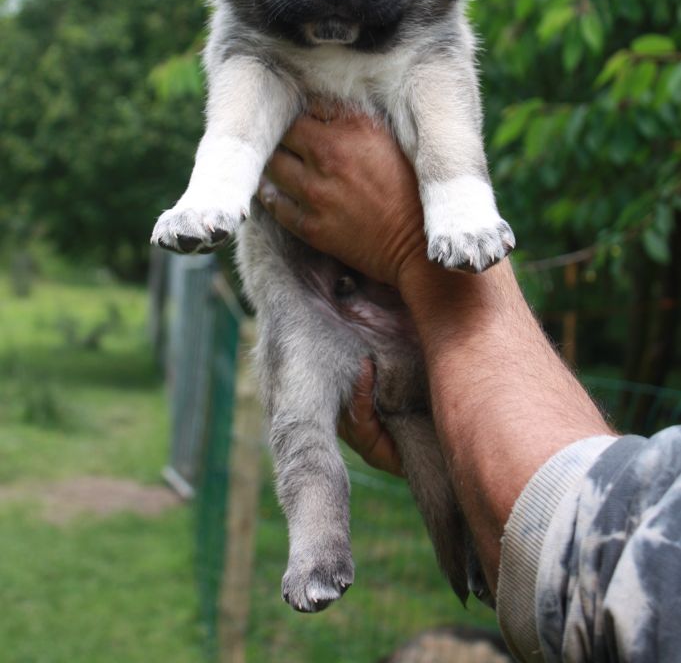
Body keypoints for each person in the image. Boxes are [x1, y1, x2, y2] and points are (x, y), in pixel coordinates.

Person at [258, 105, 681, 662]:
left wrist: (412, 241)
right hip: (307, 289)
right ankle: (320, 537)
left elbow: (598, 553)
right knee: (301, 411)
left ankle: (462, 539)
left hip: (409, 299)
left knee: (395, 408)